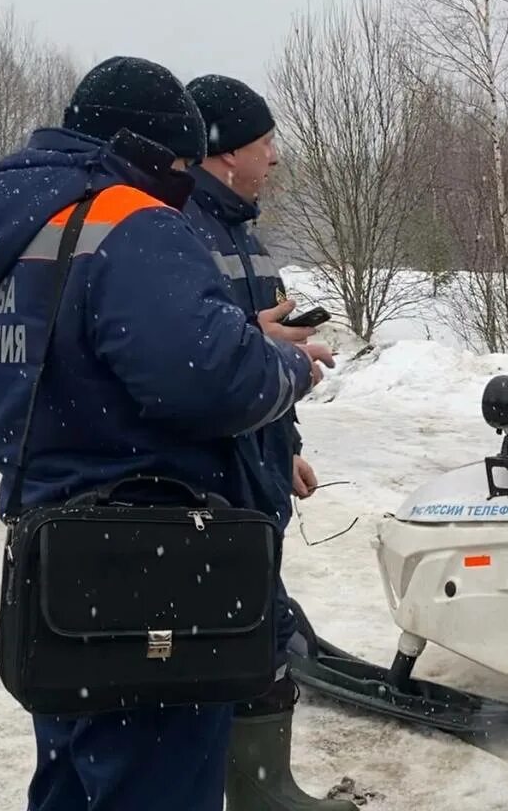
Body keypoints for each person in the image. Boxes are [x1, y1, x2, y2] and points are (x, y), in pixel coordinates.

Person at [0, 55, 334, 811]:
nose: (179, 186)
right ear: (147, 150)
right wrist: (288, 368)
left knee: (73, 779)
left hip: (53, 556)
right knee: (156, 780)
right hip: (151, 563)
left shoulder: (16, 220)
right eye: (179, 164)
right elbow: (210, 376)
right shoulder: (126, 219)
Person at [182, 73, 351, 811]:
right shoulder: (180, 232)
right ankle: (248, 792)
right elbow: (191, 363)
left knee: (254, 626)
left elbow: (259, 357)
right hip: (208, 482)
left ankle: (262, 788)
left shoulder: (244, 236)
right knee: (232, 636)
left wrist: (283, 445)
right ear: (221, 152)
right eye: (263, 143)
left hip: (255, 470)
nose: (274, 158)